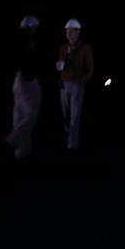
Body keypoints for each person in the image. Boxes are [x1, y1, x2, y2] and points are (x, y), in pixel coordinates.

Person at [7, 16, 43, 159]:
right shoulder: (27, 43)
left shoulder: (21, 42)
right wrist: (30, 77)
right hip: (25, 79)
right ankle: (12, 140)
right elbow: (26, 63)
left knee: (20, 114)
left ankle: (22, 151)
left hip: (20, 79)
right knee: (30, 114)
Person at [55, 19, 94, 151]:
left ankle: (72, 145)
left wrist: (82, 81)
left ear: (78, 32)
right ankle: (69, 140)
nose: (68, 33)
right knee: (65, 115)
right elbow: (60, 65)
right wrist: (59, 67)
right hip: (64, 85)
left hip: (77, 84)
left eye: (71, 31)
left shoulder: (85, 47)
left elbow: (90, 68)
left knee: (75, 116)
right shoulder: (63, 48)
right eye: (67, 31)